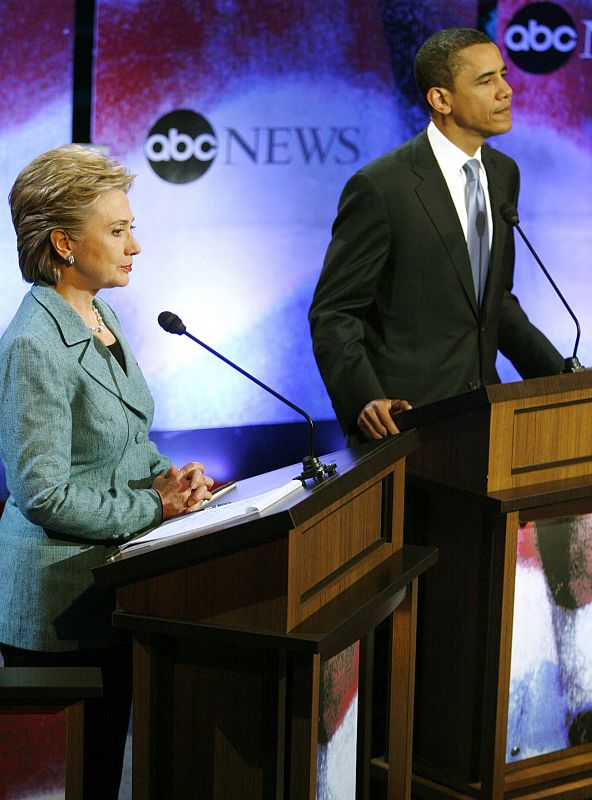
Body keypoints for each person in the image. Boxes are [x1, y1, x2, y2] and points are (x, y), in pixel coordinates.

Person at [0, 144, 214, 799]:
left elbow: (125, 441)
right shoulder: (36, 344)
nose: (135, 247)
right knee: (74, 782)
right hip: (58, 611)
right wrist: (157, 509)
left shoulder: (101, 314)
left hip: (114, 592)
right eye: (118, 231)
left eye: (131, 229)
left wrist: (167, 479)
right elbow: (42, 493)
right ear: (65, 243)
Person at [309, 28, 564, 442]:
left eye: (503, 75)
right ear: (440, 99)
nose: (506, 91)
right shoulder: (382, 186)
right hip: (407, 423)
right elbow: (334, 313)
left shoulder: (503, 174)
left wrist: (563, 378)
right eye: (486, 81)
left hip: (484, 416)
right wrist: (364, 400)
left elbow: (495, 302)